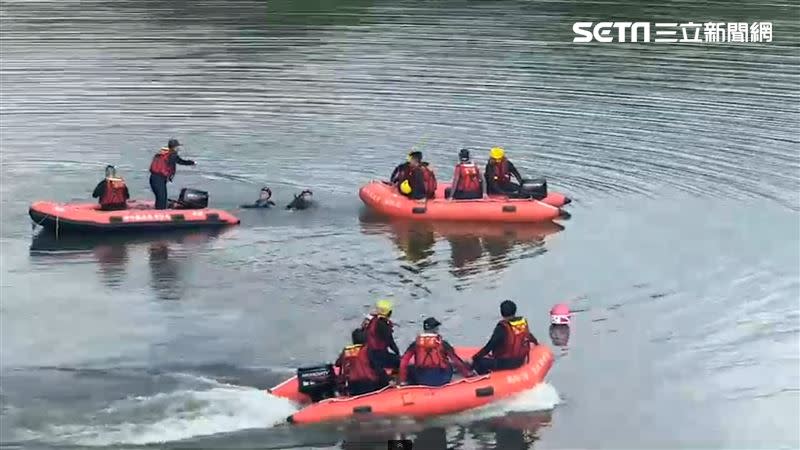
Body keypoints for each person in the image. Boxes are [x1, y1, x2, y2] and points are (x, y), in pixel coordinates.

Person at [399, 317, 473, 386]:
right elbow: (456, 361)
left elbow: (403, 362)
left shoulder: (415, 344)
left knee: (411, 368)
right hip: (441, 380)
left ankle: (407, 384)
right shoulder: (443, 344)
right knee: (450, 365)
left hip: (422, 380)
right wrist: (467, 373)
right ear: (435, 329)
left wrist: (402, 380)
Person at [471, 300, 539, 375]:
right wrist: (537, 344)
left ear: (501, 313)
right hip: (520, 360)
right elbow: (529, 336)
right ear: (515, 311)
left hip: (505, 363)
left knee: (479, 362)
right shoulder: (521, 323)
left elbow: (489, 346)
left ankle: (484, 377)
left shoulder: (502, 328)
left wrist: (475, 358)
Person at [335, 328, 390, 396]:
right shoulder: (369, 350)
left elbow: (337, 363)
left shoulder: (347, 351)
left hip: (353, 386)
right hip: (369, 385)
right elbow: (378, 368)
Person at [149, 138, 196, 210]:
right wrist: (191, 162)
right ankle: (160, 214)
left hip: (153, 178)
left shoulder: (163, 153)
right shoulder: (172, 155)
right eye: (178, 147)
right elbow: (180, 161)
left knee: (160, 197)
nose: (179, 148)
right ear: (175, 147)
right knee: (162, 198)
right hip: (159, 179)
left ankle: (158, 210)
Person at [361, 299, 401, 371]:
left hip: (367, 354)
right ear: (389, 313)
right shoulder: (383, 325)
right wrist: (398, 354)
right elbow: (390, 342)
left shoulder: (371, 321)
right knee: (398, 361)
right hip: (378, 356)